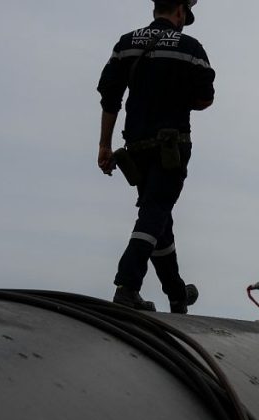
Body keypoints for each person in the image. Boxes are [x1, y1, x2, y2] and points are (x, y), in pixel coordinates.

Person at [96, 0, 215, 312]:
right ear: (179, 11)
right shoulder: (190, 47)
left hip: (135, 146)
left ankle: (177, 293)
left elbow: (110, 98)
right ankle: (127, 284)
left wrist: (104, 146)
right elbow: (205, 98)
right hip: (171, 147)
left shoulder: (126, 44)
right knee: (155, 210)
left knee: (160, 219)